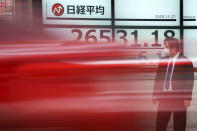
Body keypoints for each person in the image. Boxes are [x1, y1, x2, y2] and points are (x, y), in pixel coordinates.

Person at [152, 38, 194, 131]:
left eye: (167, 47)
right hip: (164, 98)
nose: (165, 50)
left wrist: (187, 97)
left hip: (179, 98)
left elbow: (189, 80)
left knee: (179, 125)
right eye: (165, 47)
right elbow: (158, 78)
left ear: (175, 48)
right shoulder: (163, 60)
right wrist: (155, 93)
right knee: (160, 124)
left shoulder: (185, 61)